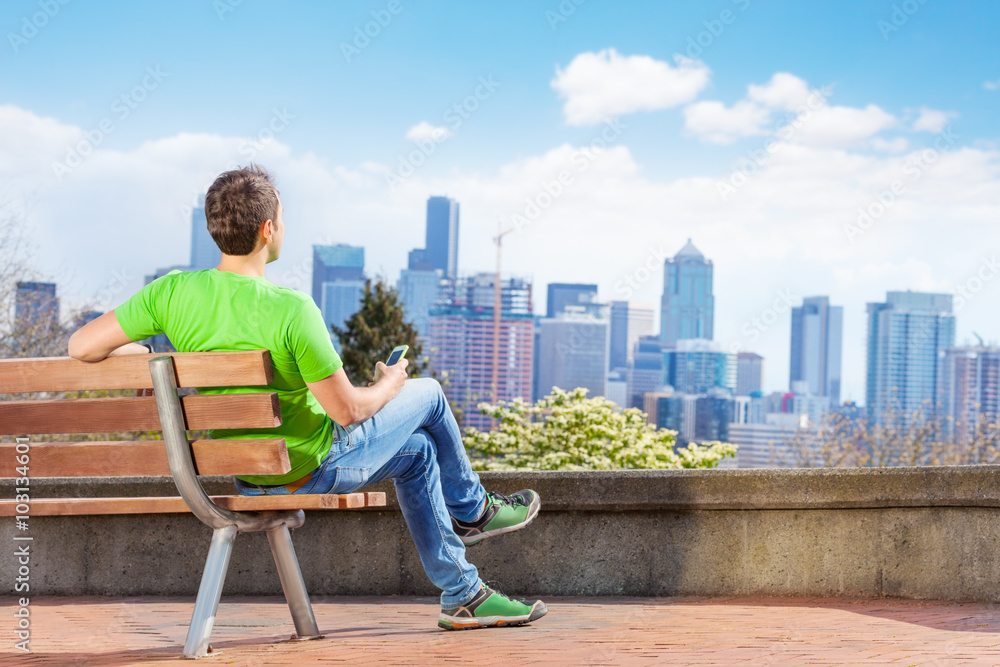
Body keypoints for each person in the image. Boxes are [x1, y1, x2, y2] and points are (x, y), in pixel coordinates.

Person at [67, 165, 547, 630]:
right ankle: (474, 510)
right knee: (431, 394)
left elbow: (81, 345)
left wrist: (149, 358)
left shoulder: (170, 293)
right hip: (307, 469)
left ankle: (465, 595)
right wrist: (389, 384)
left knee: (419, 454)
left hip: (250, 473)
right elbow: (348, 411)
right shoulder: (292, 310)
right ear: (268, 228)